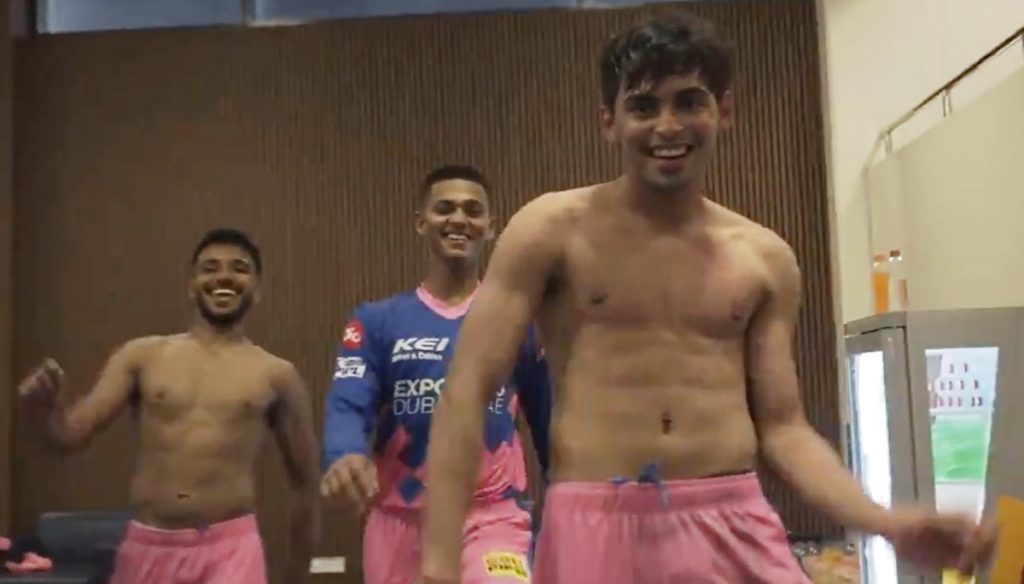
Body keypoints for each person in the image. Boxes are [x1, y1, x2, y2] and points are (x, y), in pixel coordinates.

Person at [419, 13, 997, 584]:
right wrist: (440, 567)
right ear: (609, 122)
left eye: (689, 102)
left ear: (724, 110)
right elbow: (466, 392)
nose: (667, 126)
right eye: (644, 107)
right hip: (597, 521)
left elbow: (784, 429)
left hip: (732, 518)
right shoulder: (550, 230)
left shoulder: (764, 259)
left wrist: (886, 523)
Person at [17, 228, 319, 584]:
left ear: (257, 289)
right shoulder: (141, 356)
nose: (224, 276)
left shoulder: (278, 375)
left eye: (239, 268)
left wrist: (296, 574)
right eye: (210, 268)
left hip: (232, 553)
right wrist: (39, 410)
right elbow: (68, 436)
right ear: (191, 286)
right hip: (148, 548)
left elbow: (305, 484)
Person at [320, 165, 551, 584]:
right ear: (421, 222)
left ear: (491, 227)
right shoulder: (376, 321)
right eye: (445, 208)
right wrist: (344, 452)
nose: (458, 219)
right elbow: (349, 401)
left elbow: (549, 421)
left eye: (472, 210)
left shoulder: (518, 322)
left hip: (492, 516)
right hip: (399, 518)